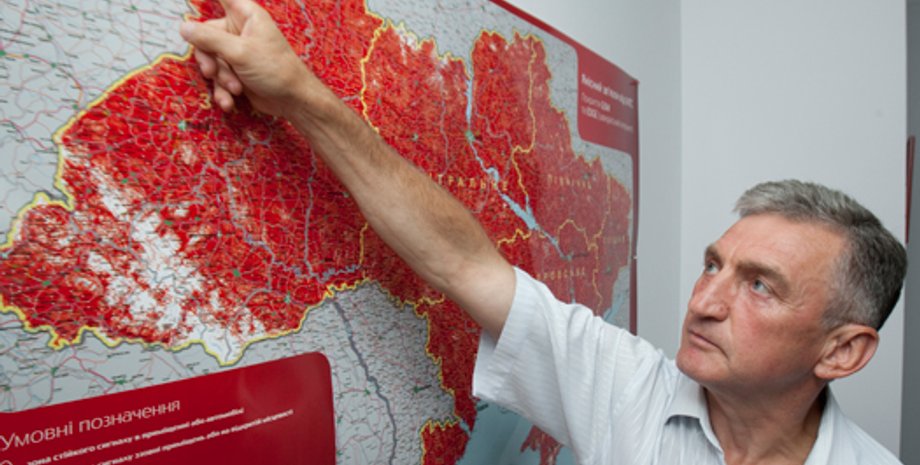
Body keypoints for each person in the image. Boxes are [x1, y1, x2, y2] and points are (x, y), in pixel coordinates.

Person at [179, 1, 907, 463]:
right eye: (713, 265)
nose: (704, 301)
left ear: (842, 350)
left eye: (760, 286)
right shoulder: (630, 389)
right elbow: (465, 262)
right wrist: (300, 95)